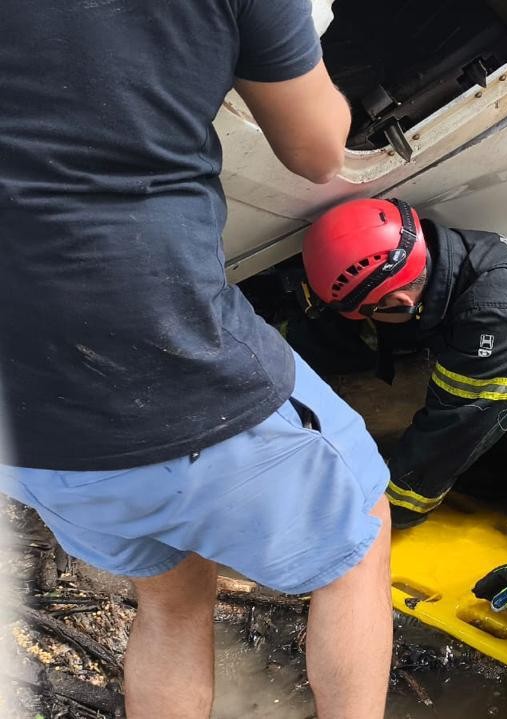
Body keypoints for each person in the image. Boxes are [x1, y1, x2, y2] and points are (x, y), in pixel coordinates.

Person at [0, 2, 393, 717]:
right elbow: (318, 150)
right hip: (166, 357)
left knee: (172, 598)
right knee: (362, 530)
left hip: (23, 425)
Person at [301, 199, 507, 529]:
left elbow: (454, 428)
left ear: (400, 303)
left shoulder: (498, 314)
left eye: (369, 316)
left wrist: (386, 510)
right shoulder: (453, 255)